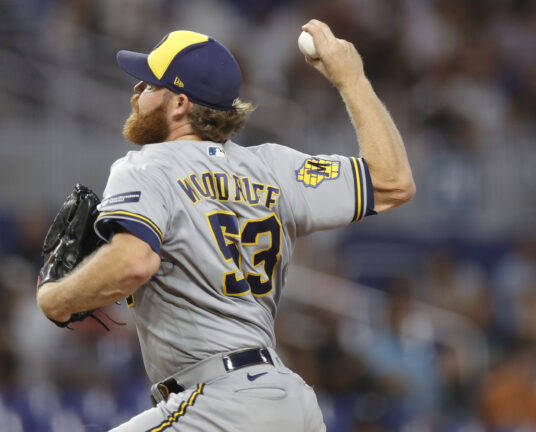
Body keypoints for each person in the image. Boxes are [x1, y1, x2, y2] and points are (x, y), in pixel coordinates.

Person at [37, 19, 415, 431]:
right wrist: (352, 79)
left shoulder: (148, 165)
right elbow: (392, 182)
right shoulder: (274, 167)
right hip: (290, 404)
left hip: (221, 404)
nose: (137, 92)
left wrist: (56, 299)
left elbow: (134, 262)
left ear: (179, 103)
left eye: (148, 85)